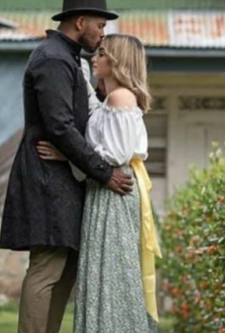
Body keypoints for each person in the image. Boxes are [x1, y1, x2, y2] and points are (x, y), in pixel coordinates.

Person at [0, 0, 135, 332]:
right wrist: (104, 172)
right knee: (48, 266)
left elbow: (80, 123)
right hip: (47, 177)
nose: (102, 34)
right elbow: (59, 126)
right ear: (81, 21)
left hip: (65, 176)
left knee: (66, 267)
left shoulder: (69, 58)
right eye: (100, 26)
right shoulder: (53, 59)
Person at [37, 34, 161, 333]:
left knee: (111, 273)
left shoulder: (121, 98)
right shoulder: (111, 99)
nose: (96, 57)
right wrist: (77, 69)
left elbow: (115, 154)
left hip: (113, 192)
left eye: (103, 54)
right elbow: (94, 114)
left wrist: (67, 155)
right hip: (102, 190)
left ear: (117, 62)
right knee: (102, 271)